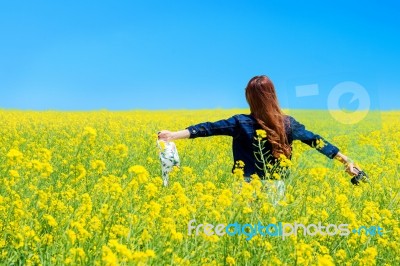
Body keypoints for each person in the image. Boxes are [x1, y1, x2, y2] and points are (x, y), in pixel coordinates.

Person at [158, 75, 363, 183]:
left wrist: (173, 135)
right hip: (276, 186)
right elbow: (317, 142)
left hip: (246, 184)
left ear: (249, 97)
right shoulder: (288, 123)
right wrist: (347, 162)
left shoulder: (240, 122)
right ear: (272, 95)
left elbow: (207, 129)